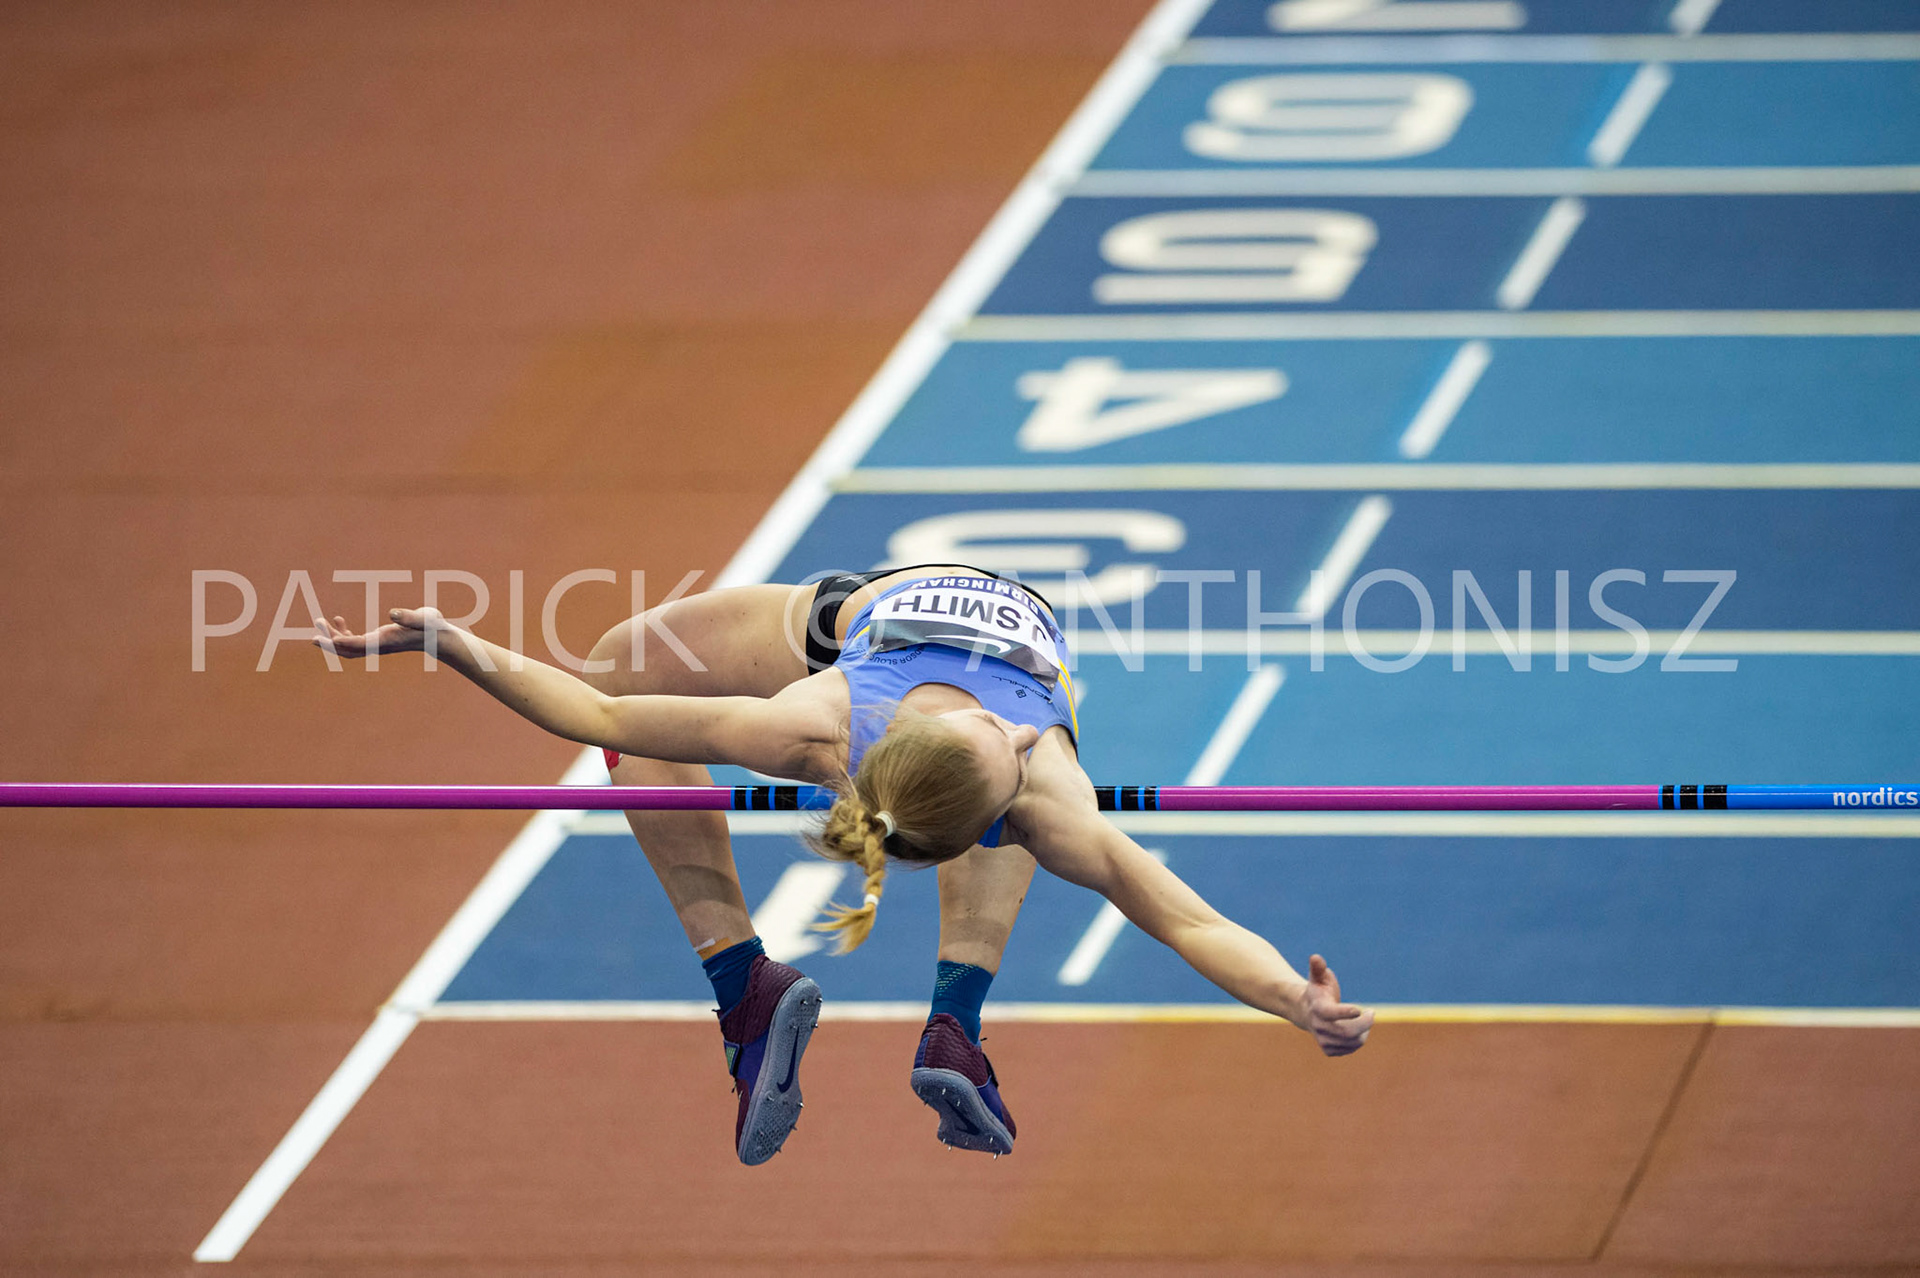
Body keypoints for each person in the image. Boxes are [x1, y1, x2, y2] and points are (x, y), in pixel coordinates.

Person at [313, 565, 1373, 1165]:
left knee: (636, 665)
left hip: (846, 619)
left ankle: (745, 989)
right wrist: (1291, 997)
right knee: (1061, 810)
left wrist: (466, 643)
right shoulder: (1025, 782)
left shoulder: (828, 727)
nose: (1008, 733)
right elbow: (1185, 918)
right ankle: (948, 1025)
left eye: (1003, 743)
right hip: (889, 658)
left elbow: (598, 707)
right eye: (1001, 741)